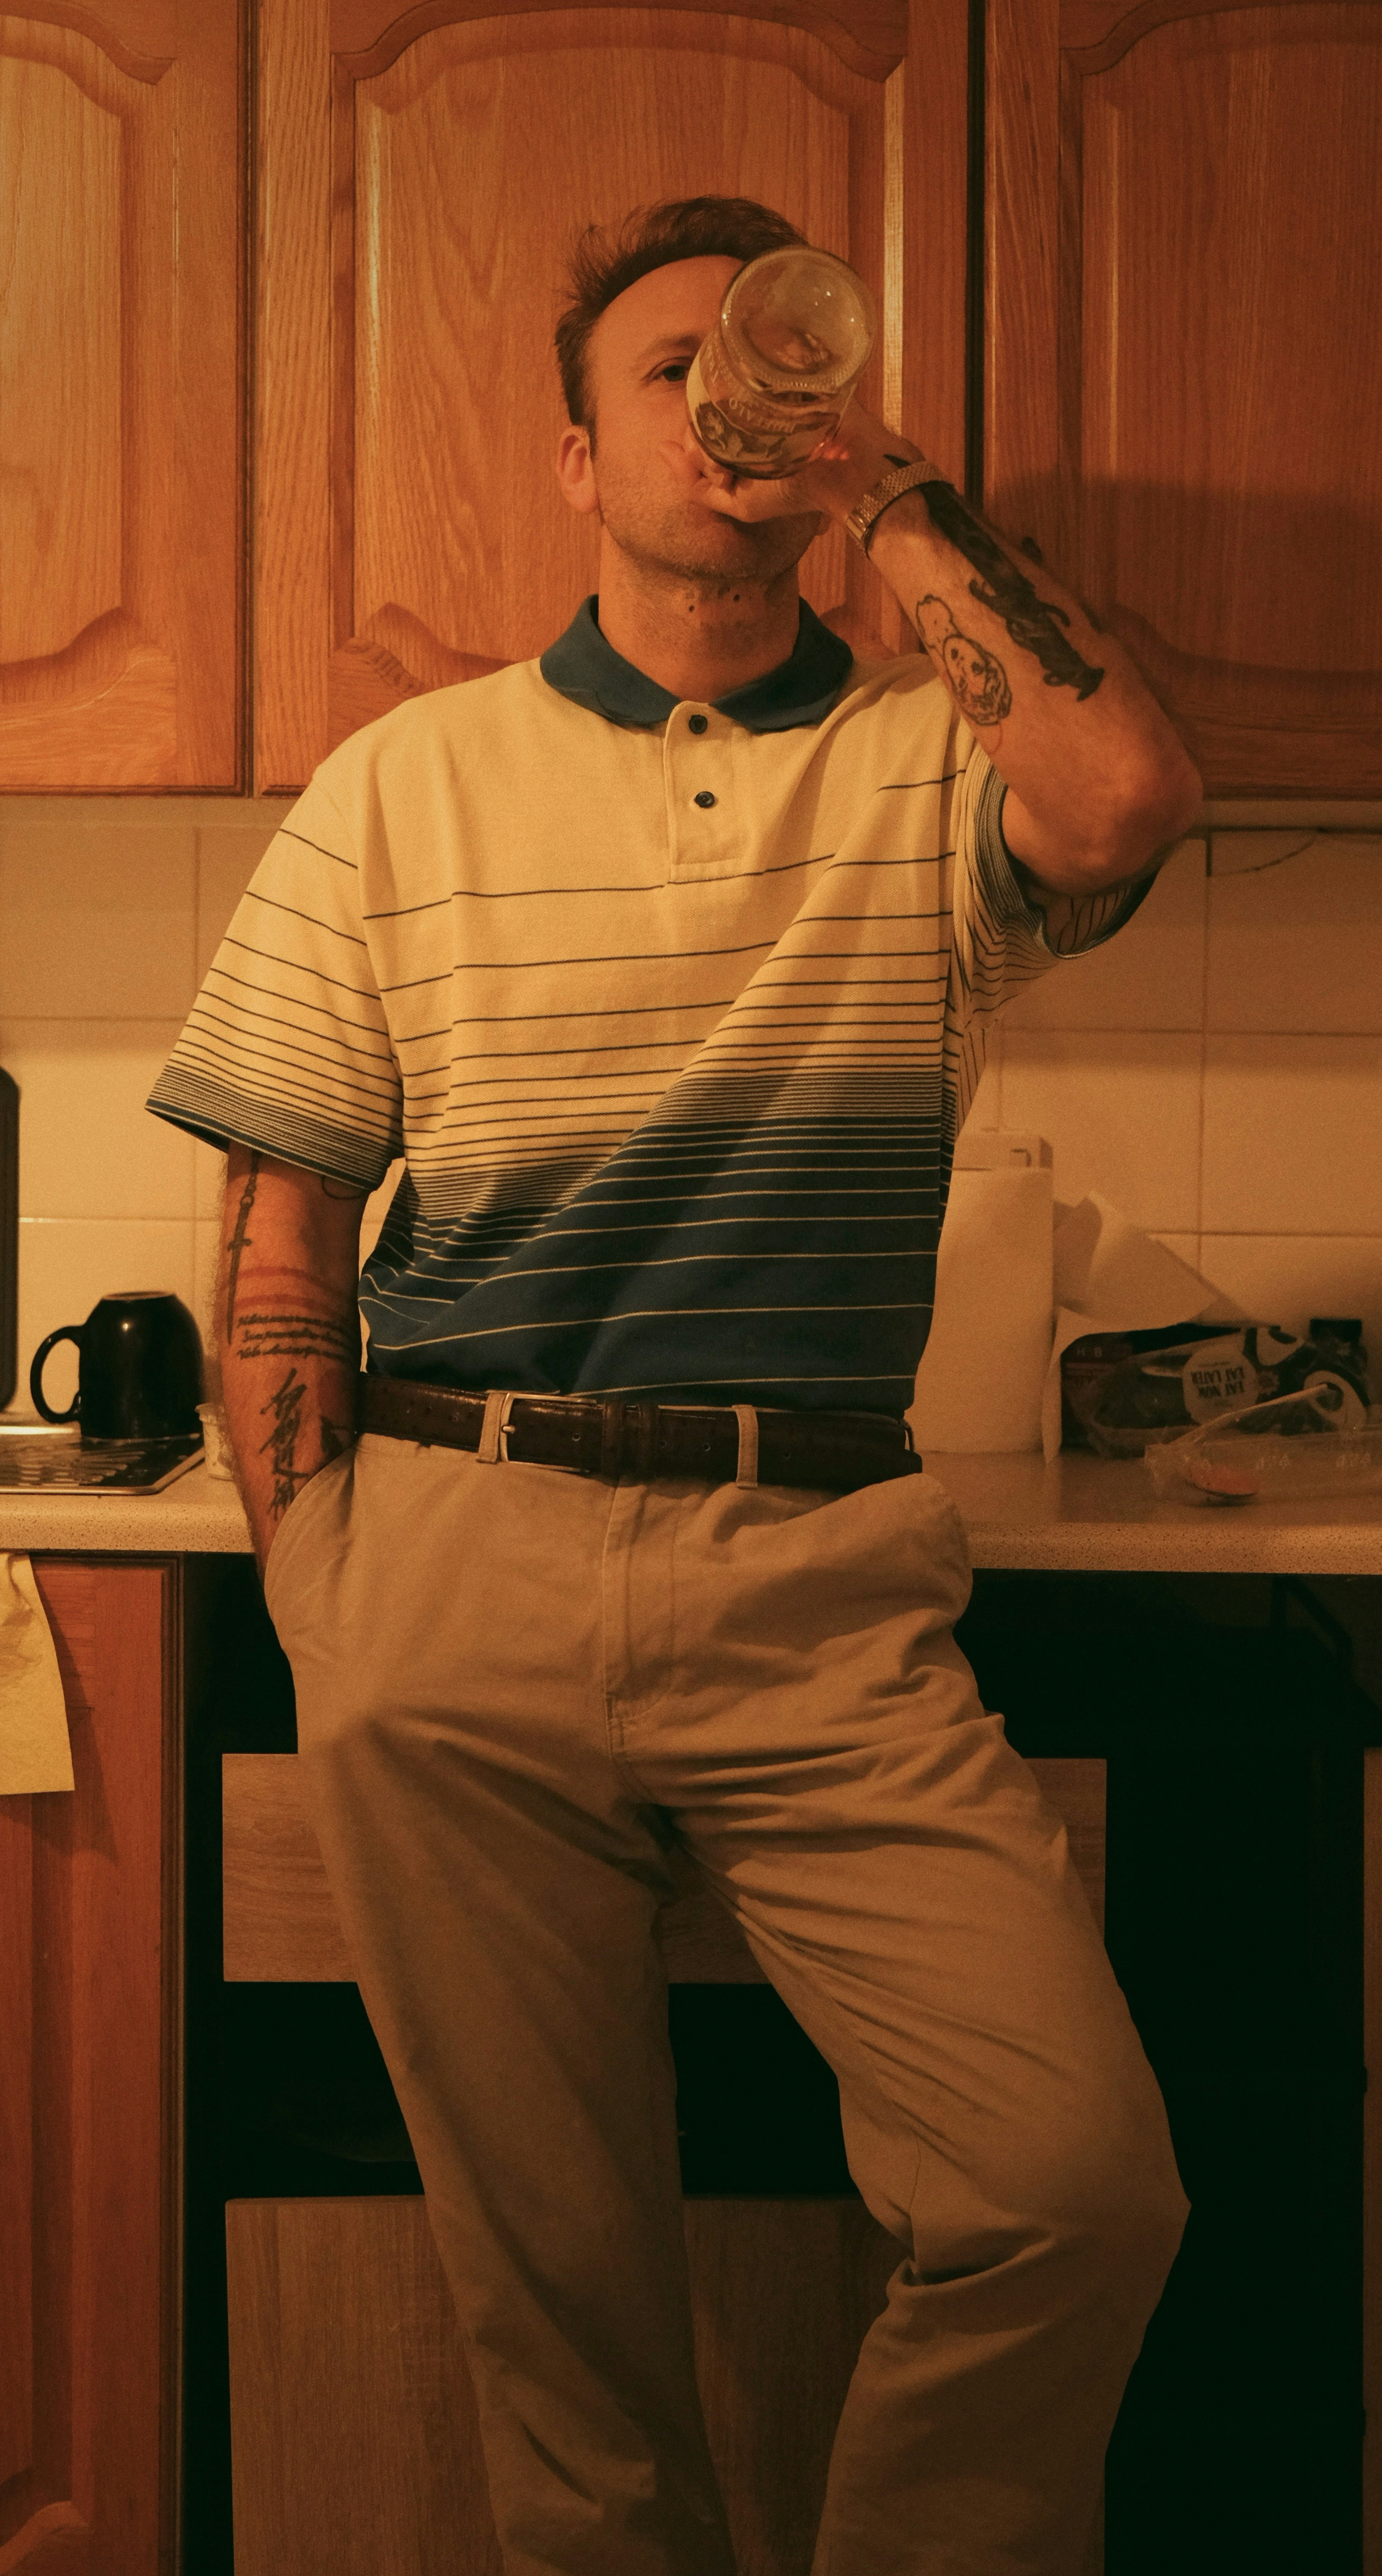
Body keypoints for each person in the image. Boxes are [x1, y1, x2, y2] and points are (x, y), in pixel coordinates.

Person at [149, 195, 1199, 2576]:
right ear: (570, 453)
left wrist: (886, 496)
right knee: (567, 2311)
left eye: (768, 368)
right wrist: (335, 1603)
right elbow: (281, 1228)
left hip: (821, 1590)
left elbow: (1127, 798)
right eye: (671, 373)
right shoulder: (403, 783)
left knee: (1070, 2187)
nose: (726, 401)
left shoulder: (940, 777)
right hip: (454, 1556)